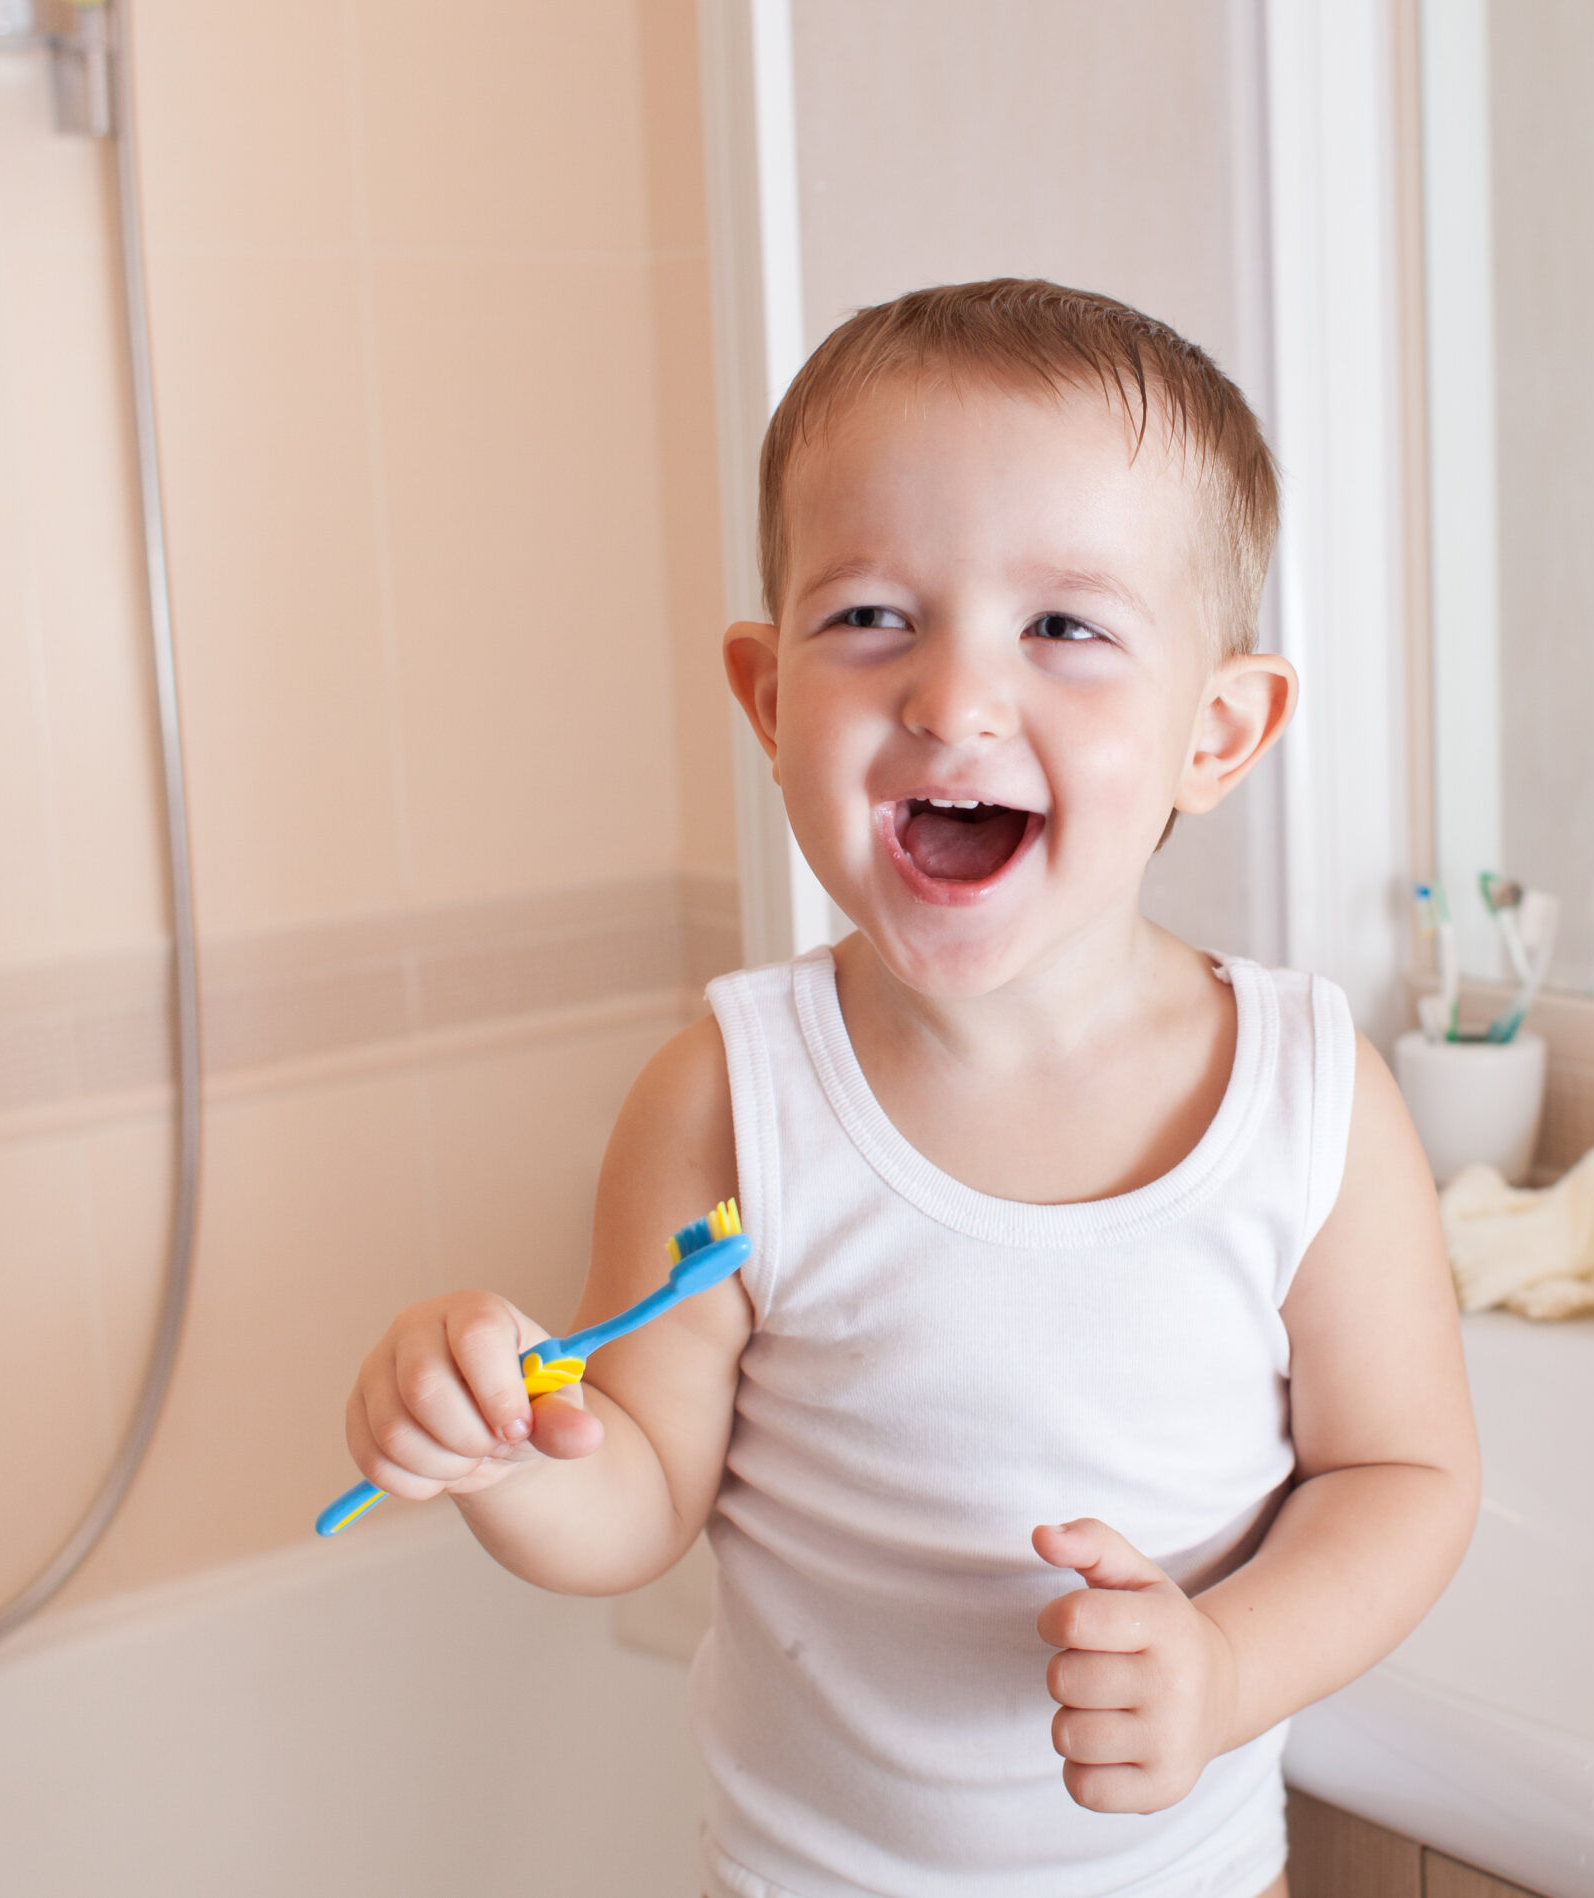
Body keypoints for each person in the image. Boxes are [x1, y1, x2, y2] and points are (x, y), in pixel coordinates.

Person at [344, 279, 1478, 1898]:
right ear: (767, 694)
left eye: (1066, 627)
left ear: (1218, 731)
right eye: (872, 615)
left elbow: (1404, 1478)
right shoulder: (727, 1100)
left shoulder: (1310, 1104)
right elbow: (644, 1495)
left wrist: (1226, 1665)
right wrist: (506, 1451)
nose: (951, 696)